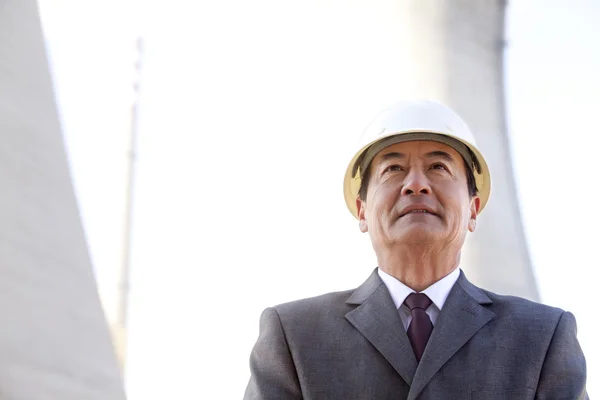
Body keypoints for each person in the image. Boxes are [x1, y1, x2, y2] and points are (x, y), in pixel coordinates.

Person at [243, 100, 588, 399]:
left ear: (473, 209)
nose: (416, 184)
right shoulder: (294, 335)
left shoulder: (542, 336)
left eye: (439, 167)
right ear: (362, 210)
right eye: (393, 169)